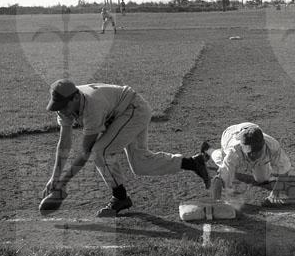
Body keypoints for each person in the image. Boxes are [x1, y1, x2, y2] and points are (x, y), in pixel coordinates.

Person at [40, 79, 210, 217]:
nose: (61, 110)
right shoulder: (64, 107)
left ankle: (120, 198)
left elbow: (85, 152)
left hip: (134, 110)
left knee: (100, 151)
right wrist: (55, 177)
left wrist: (63, 182)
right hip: (121, 113)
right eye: (57, 106)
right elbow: (64, 143)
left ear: (75, 98)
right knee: (140, 164)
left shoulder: (92, 106)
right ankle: (193, 163)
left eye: (63, 106)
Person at [202, 122, 292, 205]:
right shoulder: (234, 152)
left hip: (250, 129)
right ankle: (208, 150)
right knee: (222, 161)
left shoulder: (272, 146)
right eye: (250, 153)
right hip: (230, 135)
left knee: (263, 179)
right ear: (243, 147)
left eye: (256, 152)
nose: (253, 156)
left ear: (263, 145)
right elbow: (219, 179)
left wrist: (274, 195)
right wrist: (217, 203)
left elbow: (284, 170)